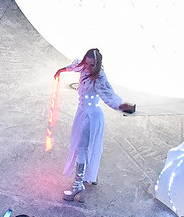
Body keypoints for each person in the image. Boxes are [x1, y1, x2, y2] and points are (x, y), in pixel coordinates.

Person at [56, 48, 136, 202]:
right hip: (82, 113)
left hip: (92, 116)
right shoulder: (84, 67)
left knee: (81, 148)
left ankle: (77, 185)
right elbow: (77, 66)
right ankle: (89, 175)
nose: (88, 67)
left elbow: (109, 95)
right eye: (87, 64)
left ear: (98, 64)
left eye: (92, 65)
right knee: (84, 147)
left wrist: (121, 105)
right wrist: (62, 70)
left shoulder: (99, 78)